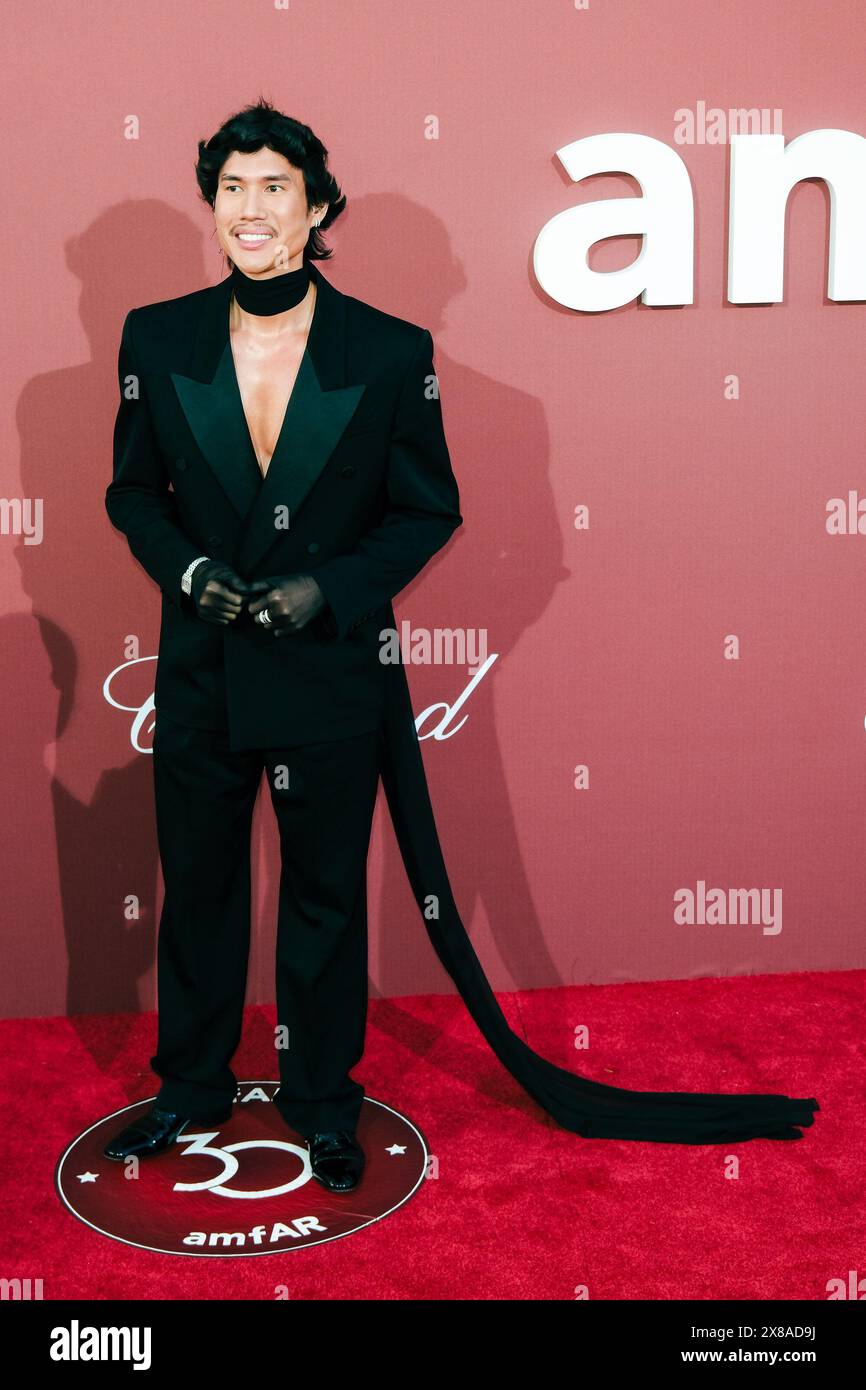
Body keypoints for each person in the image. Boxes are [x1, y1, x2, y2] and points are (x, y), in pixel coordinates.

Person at [103, 100, 818, 1191]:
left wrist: (328, 587)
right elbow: (131, 491)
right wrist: (194, 574)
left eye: (274, 189)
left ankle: (321, 1101)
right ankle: (191, 1089)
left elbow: (425, 511)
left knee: (324, 896)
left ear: (316, 207)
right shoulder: (155, 336)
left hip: (328, 666)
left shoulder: (388, 351)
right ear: (213, 204)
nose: (251, 211)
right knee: (197, 888)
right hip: (201, 668)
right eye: (233, 189)